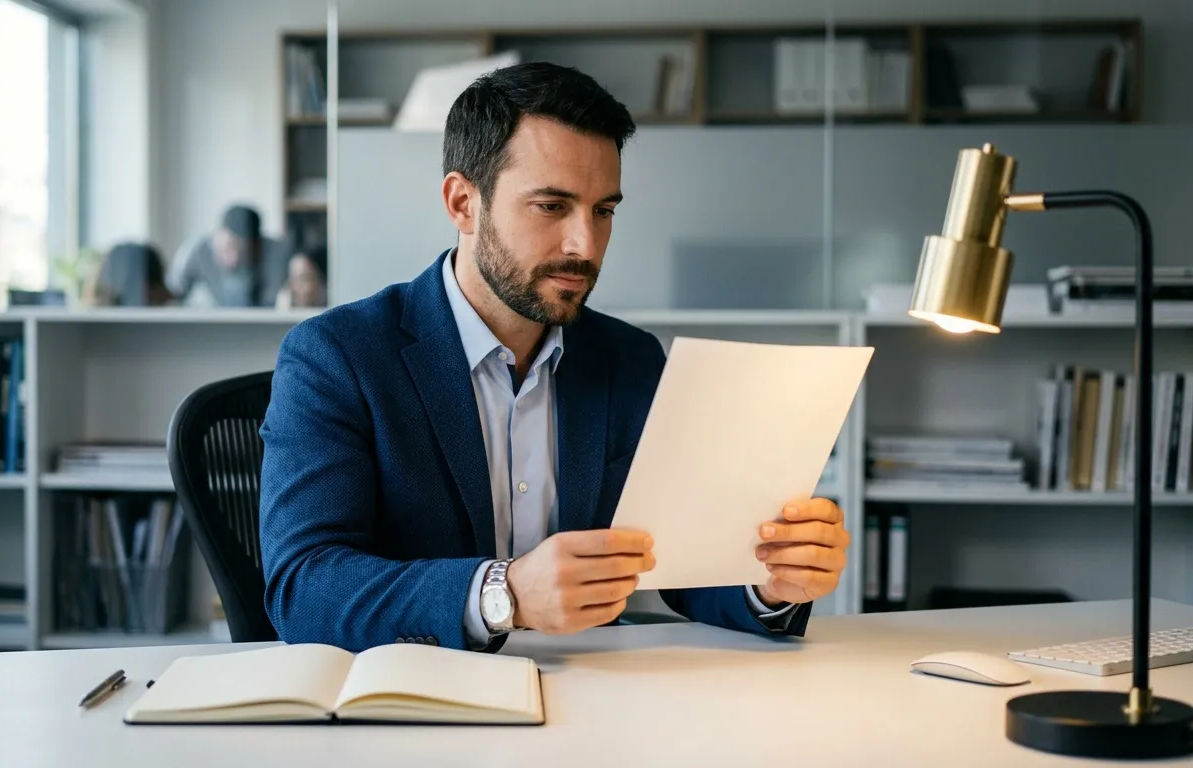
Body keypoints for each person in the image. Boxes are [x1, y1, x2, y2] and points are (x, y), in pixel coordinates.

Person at [258, 62, 850, 653]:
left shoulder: (629, 359)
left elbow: (679, 565)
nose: (585, 246)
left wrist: (770, 582)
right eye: (551, 206)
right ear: (464, 203)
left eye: (604, 211)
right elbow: (303, 586)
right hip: (413, 708)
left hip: (588, 708)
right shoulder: (337, 356)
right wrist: (504, 593)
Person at [167, 204, 292, 307]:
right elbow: (172, 292)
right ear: (218, 235)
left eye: (244, 253)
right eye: (229, 248)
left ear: (258, 244)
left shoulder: (280, 253)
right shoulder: (196, 250)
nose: (235, 260)